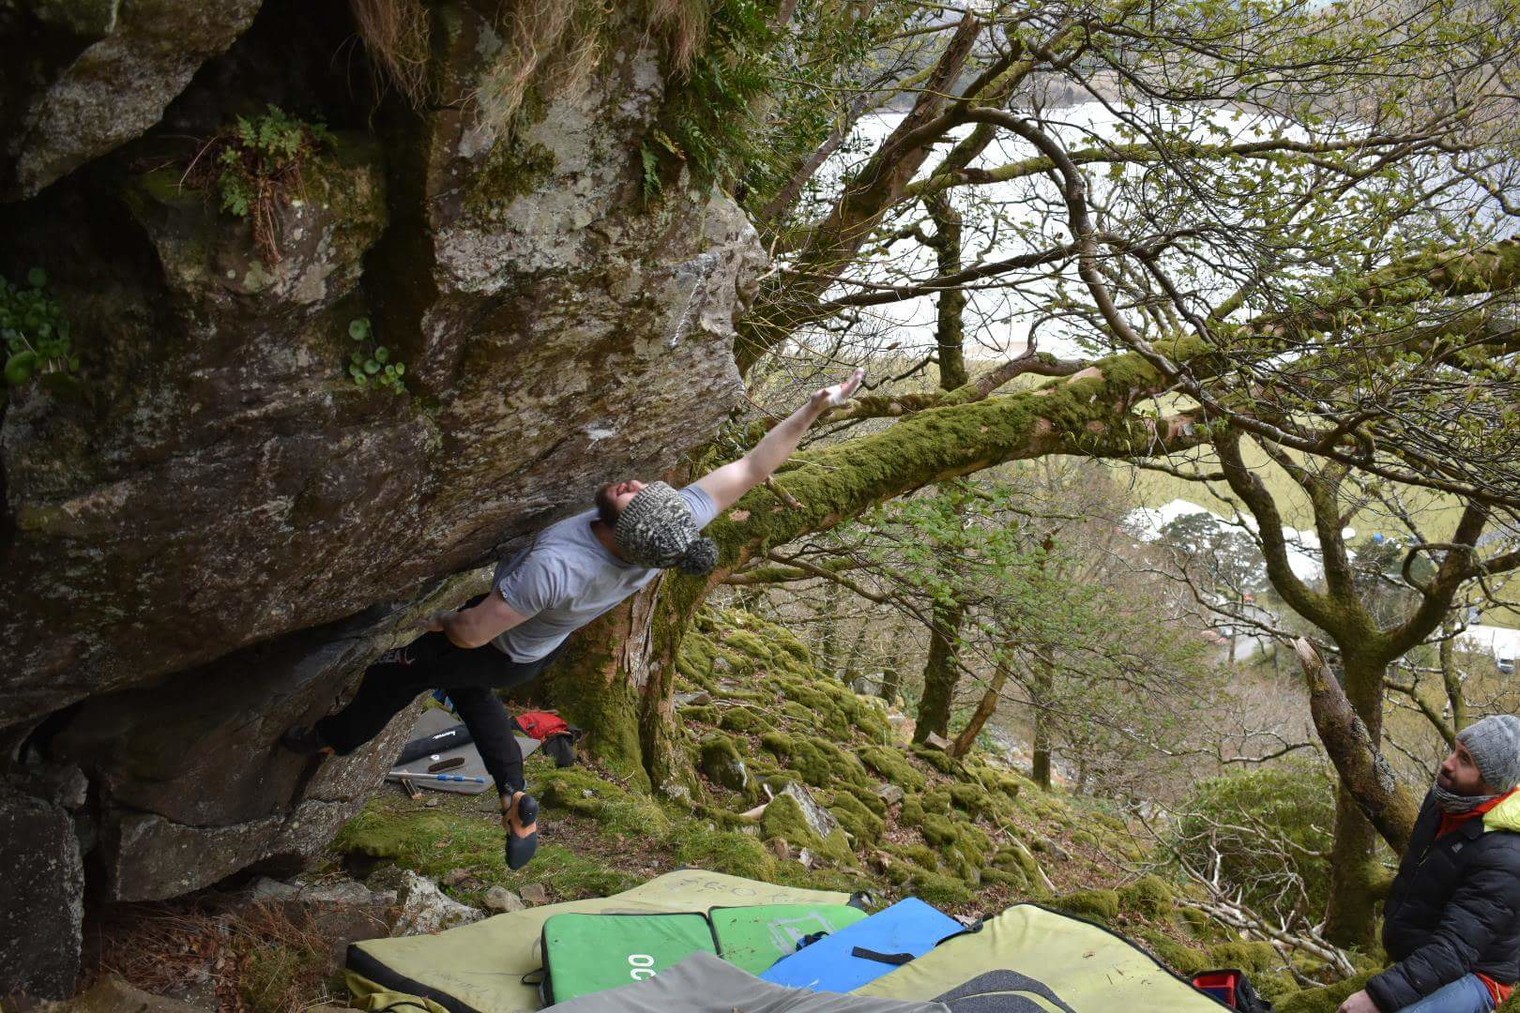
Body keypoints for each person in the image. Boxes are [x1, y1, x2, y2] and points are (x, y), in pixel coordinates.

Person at [281, 368, 865, 868]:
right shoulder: (669, 530)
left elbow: (474, 632)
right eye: (644, 489)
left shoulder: (558, 568)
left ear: (622, 529)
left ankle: (333, 739)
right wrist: (814, 408)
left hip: (497, 644)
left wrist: (436, 621)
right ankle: (514, 796)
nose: (634, 483)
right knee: (472, 695)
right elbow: (754, 466)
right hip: (535, 649)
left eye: (632, 496)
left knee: (393, 676)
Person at [1337, 715, 1520, 1013]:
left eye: (1465, 760)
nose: (1447, 763)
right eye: (1455, 750)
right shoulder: (1443, 801)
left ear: (1491, 782)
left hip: (1478, 974)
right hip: (1426, 957)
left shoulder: (1506, 854)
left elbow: (1456, 948)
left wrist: (1378, 997)